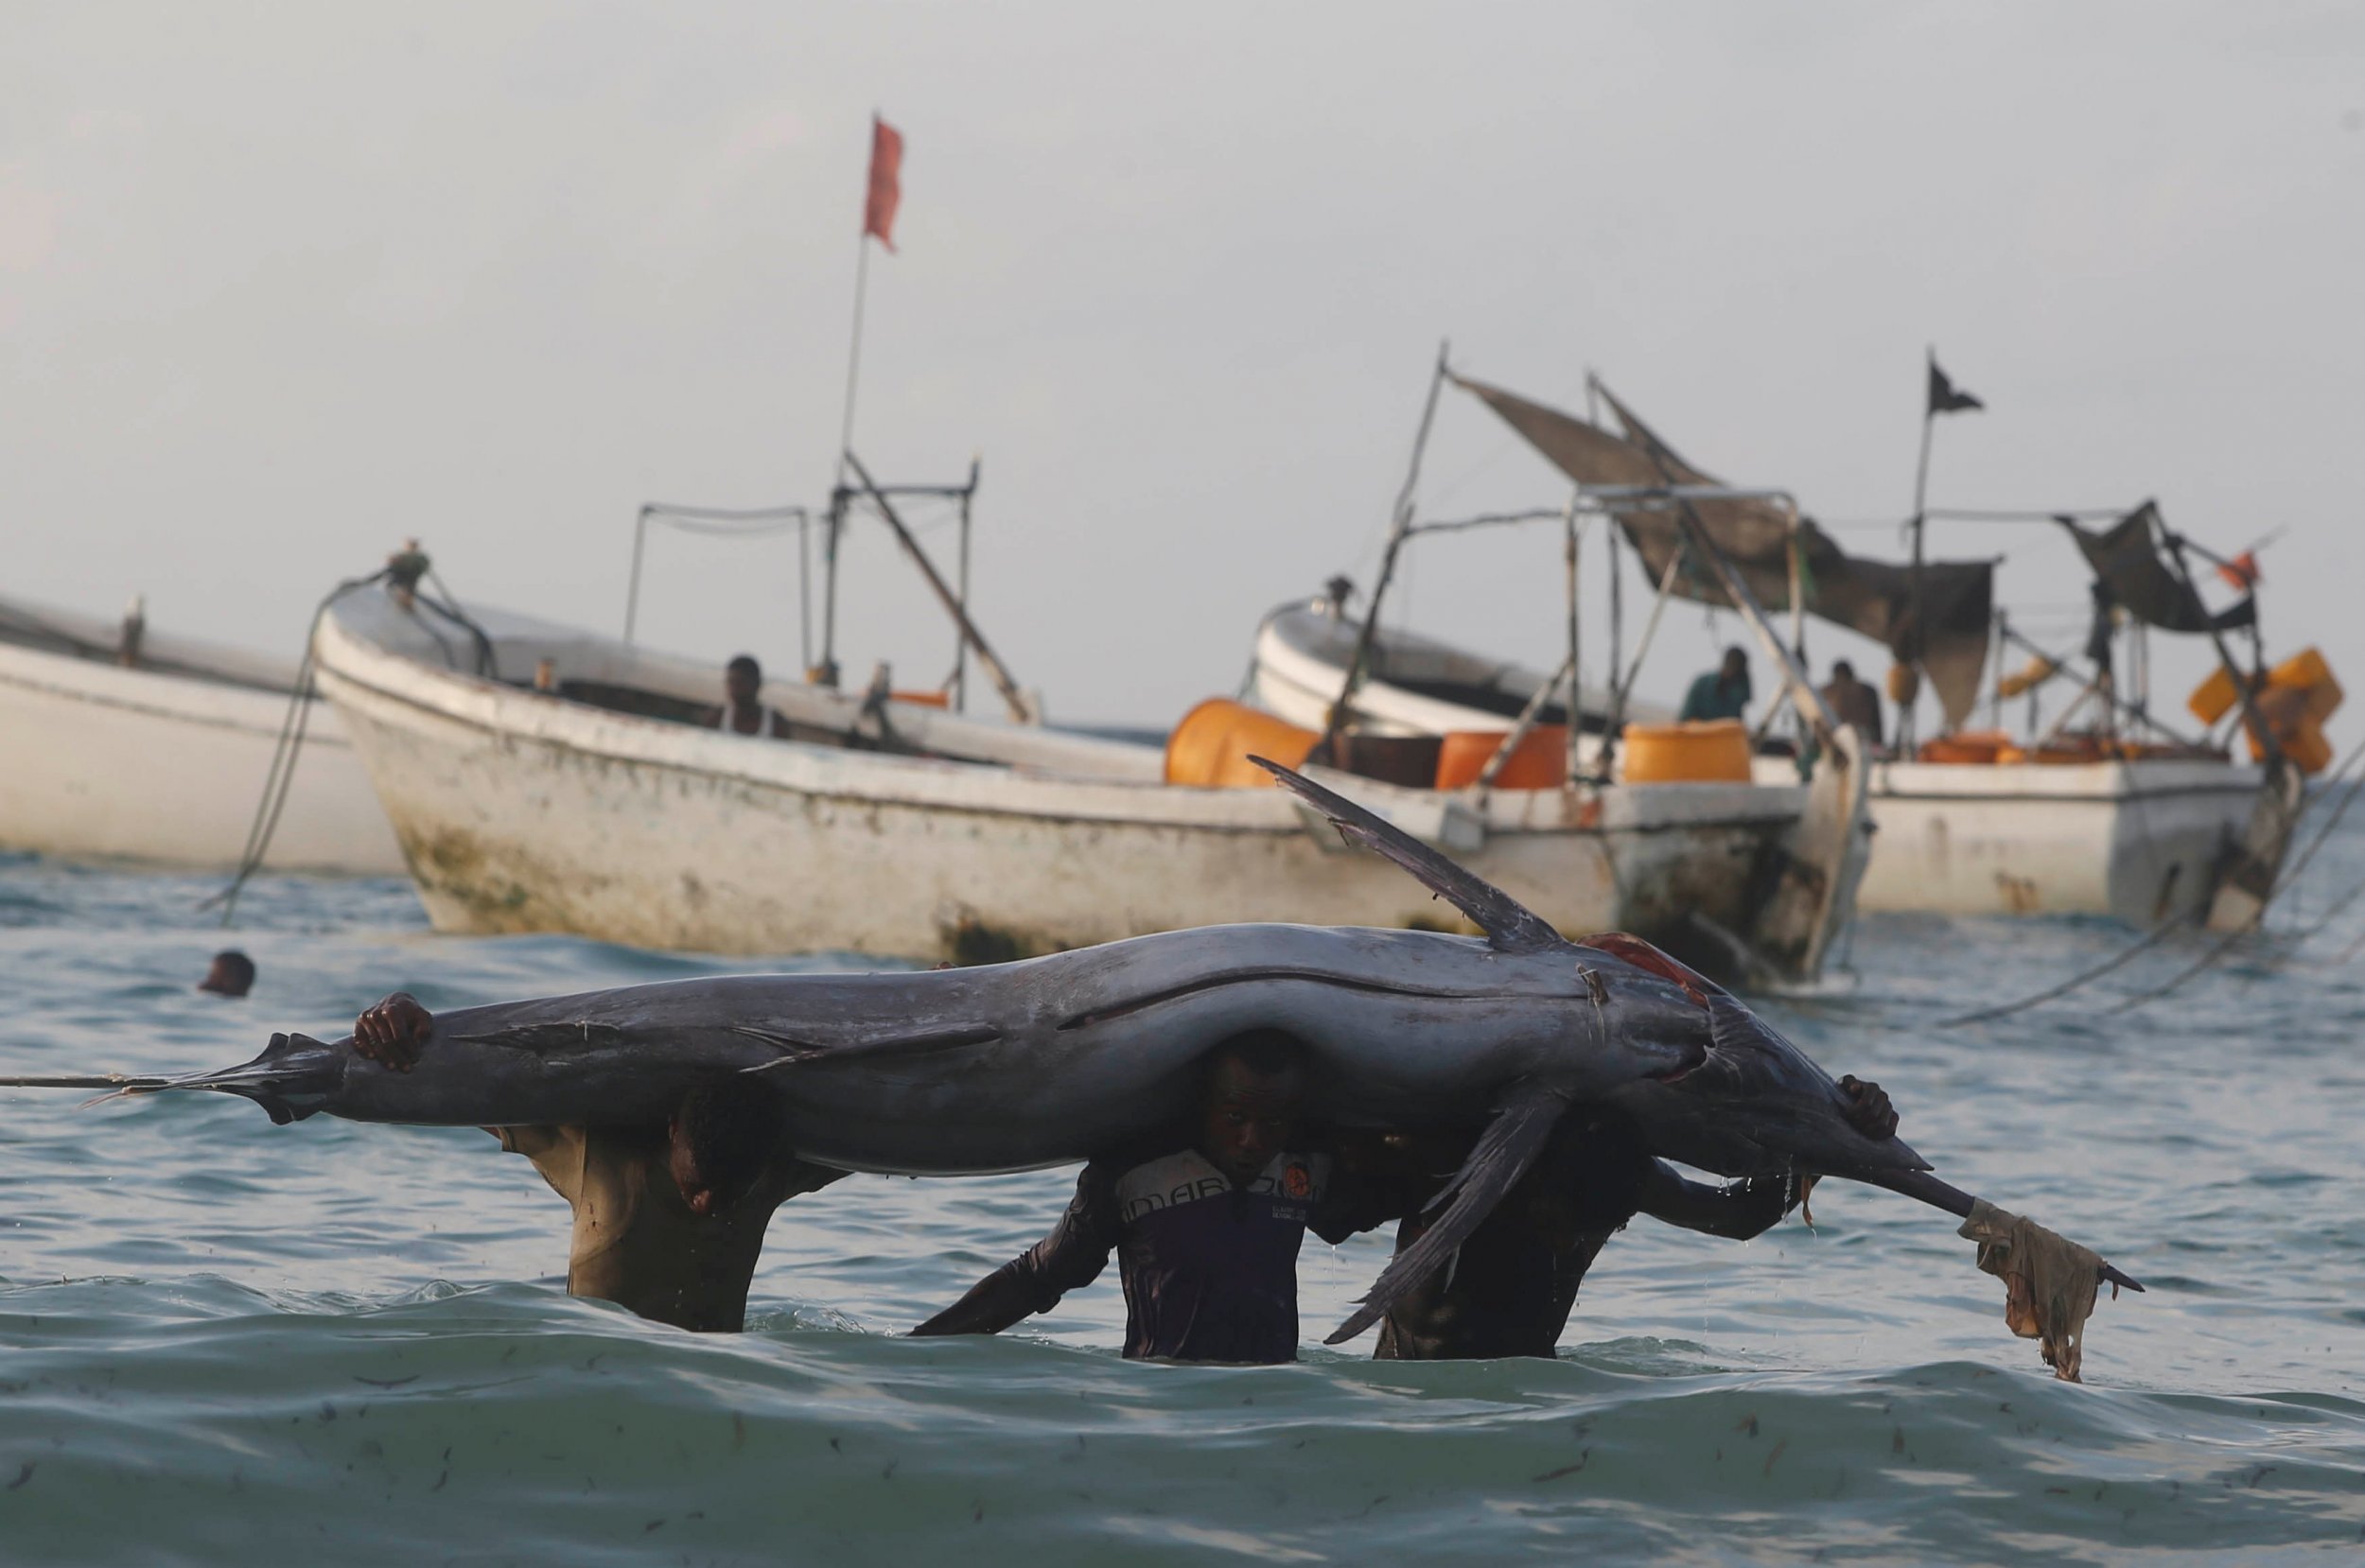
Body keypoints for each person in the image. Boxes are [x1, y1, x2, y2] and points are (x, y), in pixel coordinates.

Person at [350, 992, 845, 1333]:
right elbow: (466, 1091)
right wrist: (401, 1017)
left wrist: (924, 1003)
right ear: (671, 1129)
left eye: (727, 1192)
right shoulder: (600, 1160)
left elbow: (895, 1141)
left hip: (717, 1379)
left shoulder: (767, 1171)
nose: (705, 1203)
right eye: (695, 1183)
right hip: (598, 1369)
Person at [1340, 1073, 1900, 1360]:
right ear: (1533, 1185)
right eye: (1557, 1226)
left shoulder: (1620, 1171)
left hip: (1534, 1400)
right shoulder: (1451, 1163)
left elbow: (1735, 1215)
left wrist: (1835, 1128)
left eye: (1593, 1234)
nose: (1571, 1248)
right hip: (1408, 1397)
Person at [912, 1029, 1382, 1363]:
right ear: (1205, 1102)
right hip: (1162, 1400)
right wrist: (917, 1350)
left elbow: (1363, 1212)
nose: (1252, 1141)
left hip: (1274, 1404)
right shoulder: (1133, 1170)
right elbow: (1039, 1275)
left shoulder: (1308, 1164)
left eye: (1273, 1122)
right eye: (1236, 1118)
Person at [1819, 659, 1886, 750]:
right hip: (1864, 739)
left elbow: (1819, 724)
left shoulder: (1826, 692)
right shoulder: (1868, 690)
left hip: (1836, 740)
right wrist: (1879, 745)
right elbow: (1877, 722)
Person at [718, 653, 787, 738]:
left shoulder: (776, 723)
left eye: (740, 683)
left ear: (757, 684)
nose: (734, 689)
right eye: (731, 682)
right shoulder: (717, 718)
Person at [1678, 646, 1753, 723]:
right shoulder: (1702, 685)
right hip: (1697, 732)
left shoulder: (1737, 690)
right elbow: (1684, 721)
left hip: (1727, 733)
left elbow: (1747, 698)